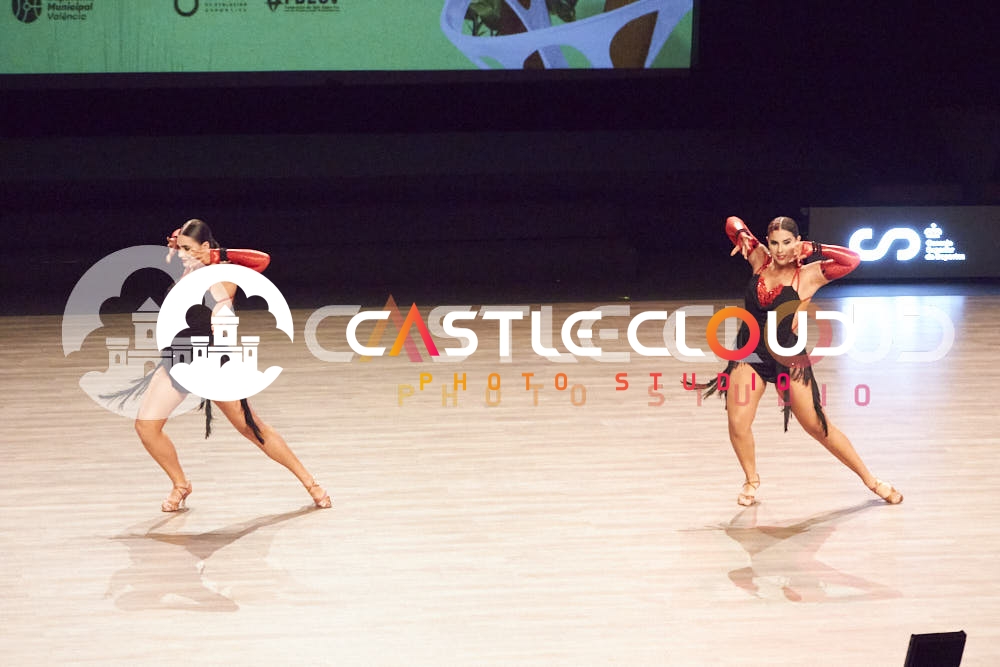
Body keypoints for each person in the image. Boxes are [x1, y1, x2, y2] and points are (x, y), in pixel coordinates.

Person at [703, 215, 903, 507]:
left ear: (797, 241)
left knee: (818, 427)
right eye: (774, 243)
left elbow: (852, 260)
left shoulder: (810, 274)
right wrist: (743, 235)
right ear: (767, 242)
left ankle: (872, 481)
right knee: (737, 422)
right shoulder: (759, 258)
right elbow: (731, 222)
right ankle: (751, 480)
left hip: (788, 357)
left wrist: (815, 248)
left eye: (787, 242)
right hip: (750, 352)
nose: (780, 250)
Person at [133, 219, 331, 512]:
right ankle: (180, 484)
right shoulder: (187, 268)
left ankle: (311, 483)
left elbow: (262, 260)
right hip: (178, 357)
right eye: (180, 249)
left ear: (205, 246)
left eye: (189, 248)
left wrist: (217, 254)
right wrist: (181, 244)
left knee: (252, 428)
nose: (181, 254)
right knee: (146, 427)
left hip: (212, 362)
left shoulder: (224, 272)